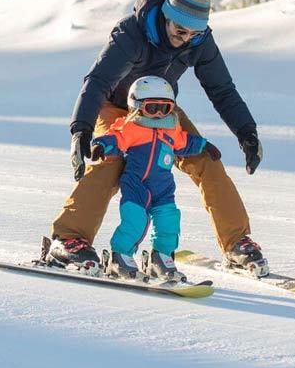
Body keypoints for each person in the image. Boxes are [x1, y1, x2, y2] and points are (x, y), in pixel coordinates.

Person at [45, 0, 268, 276]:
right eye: (180, 31)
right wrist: (81, 129)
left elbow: (222, 89)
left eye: (193, 34)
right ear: (166, 17)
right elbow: (98, 81)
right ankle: (68, 239)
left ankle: (237, 244)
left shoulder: (200, 41)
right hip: (116, 107)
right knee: (111, 163)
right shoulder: (131, 33)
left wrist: (246, 132)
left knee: (206, 160)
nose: (185, 39)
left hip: (161, 110)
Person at [91, 76, 215, 281]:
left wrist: (204, 145)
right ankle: (119, 257)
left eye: (164, 108)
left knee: (169, 222)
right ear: (137, 106)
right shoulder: (132, 127)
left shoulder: (171, 129)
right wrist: (101, 145)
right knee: (135, 221)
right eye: (152, 108)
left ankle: (161, 259)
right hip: (136, 185)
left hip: (163, 189)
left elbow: (184, 141)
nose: (158, 114)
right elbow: (117, 137)